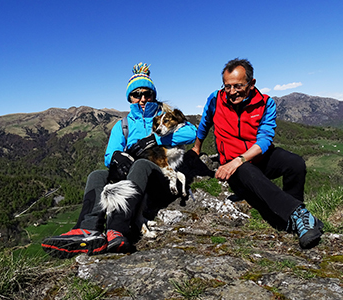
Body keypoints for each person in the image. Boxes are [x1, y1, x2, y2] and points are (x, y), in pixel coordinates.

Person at [42, 62, 197, 258]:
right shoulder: (122, 125)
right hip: (133, 178)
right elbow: (109, 156)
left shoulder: (164, 117)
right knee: (97, 175)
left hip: (160, 180)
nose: (142, 99)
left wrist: (155, 138)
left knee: (142, 164)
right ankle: (87, 229)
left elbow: (191, 133)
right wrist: (117, 156)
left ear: (153, 95)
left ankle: (118, 229)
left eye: (147, 93)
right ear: (129, 98)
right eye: (136, 94)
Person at [192, 58, 323, 249]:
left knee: (295, 163)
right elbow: (205, 123)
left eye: (238, 86)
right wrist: (197, 147)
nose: (231, 92)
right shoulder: (215, 99)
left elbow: (264, 140)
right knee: (245, 170)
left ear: (252, 83)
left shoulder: (265, 103)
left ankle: (295, 216)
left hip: (255, 157)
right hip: (235, 167)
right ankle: (298, 216)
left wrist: (240, 159)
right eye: (227, 86)